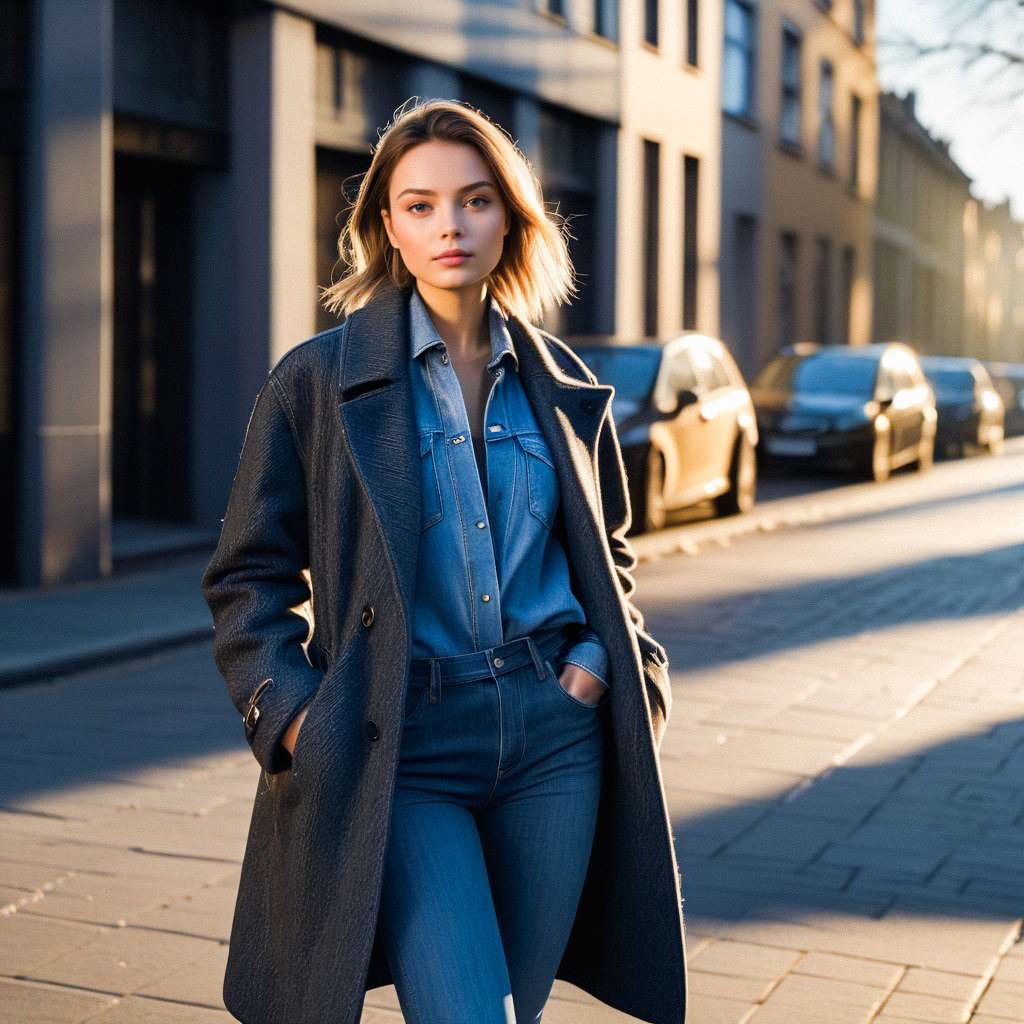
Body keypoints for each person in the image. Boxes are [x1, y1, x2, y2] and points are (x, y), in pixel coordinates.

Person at [202, 97, 686, 1024]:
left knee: (522, 1007)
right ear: (387, 225)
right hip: (406, 742)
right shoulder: (319, 380)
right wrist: (298, 717)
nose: (449, 226)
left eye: (473, 200)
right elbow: (245, 575)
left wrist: (602, 669)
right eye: (419, 205)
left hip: (556, 738)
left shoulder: (565, 386)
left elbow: (608, 554)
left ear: (509, 214)